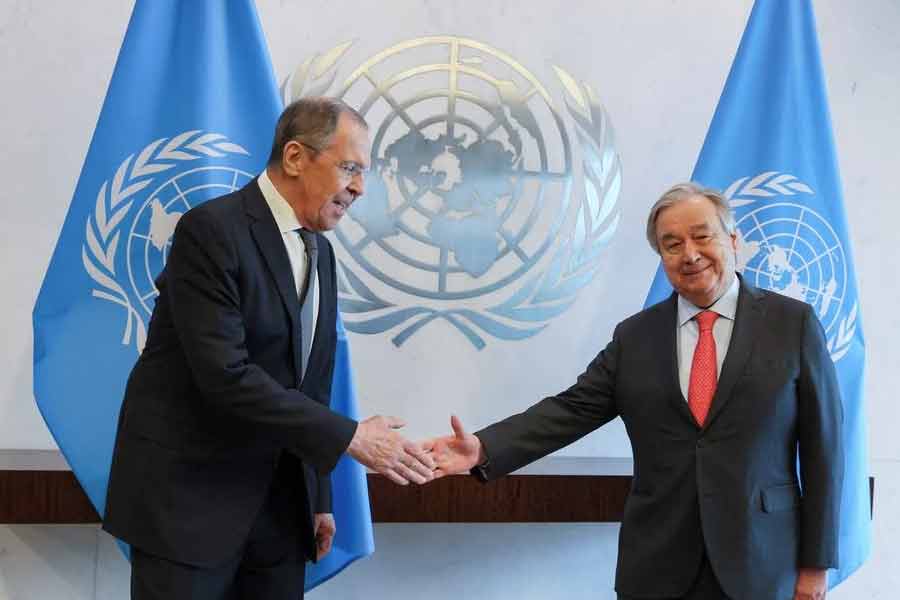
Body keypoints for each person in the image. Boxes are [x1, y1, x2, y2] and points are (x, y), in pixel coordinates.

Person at [426, 183, 843, 600]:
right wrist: (483, 448)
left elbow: (825, 450)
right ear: (662, 257)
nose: (690, 254)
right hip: (658, 566)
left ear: (733, 240)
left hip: (763, 562)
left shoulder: (793, 324)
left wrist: (815, 566)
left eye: (702, 236)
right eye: (672, 244)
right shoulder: (635, 337)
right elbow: (570, 410)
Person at [103, 97, 434, 600]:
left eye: (363, 173)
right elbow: (226, 376)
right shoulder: (210, 231)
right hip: (190, 505)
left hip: (279, 514)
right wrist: (352, 438)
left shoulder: (321, 251)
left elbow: (312, 383)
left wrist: (317, 496)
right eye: (349, 168)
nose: (359, 188)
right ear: (296, 157)